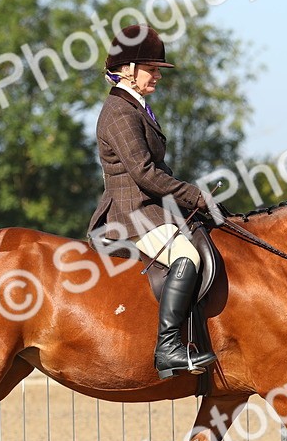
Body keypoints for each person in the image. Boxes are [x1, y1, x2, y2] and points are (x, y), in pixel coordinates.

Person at [87, 24, 218, 379]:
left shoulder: (136, 106)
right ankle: (169, 347)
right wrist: (194, 195)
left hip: (154, 208)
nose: (158, 75)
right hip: (133, 212)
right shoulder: (119, 111)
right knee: (186, 255)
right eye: (152, 68)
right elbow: (145, 174)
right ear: (128, 69)